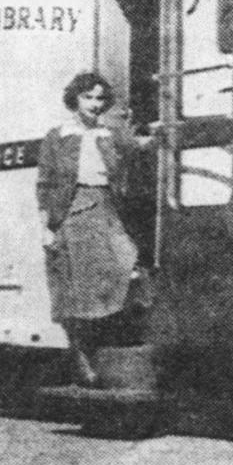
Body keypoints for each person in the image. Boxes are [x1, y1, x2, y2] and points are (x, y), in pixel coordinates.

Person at [36, 72, 152, 386]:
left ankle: (108, 350)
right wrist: (48, 227)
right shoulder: (58, 135)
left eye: (100, 99)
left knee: (126, 262)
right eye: (88, 97)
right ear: (75, 98)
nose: (95, 104)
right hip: (72, 211)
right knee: (77, 289)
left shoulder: (111, 134)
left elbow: (142, 147)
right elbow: (45, 183)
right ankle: (81, 357)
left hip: (106, 207)